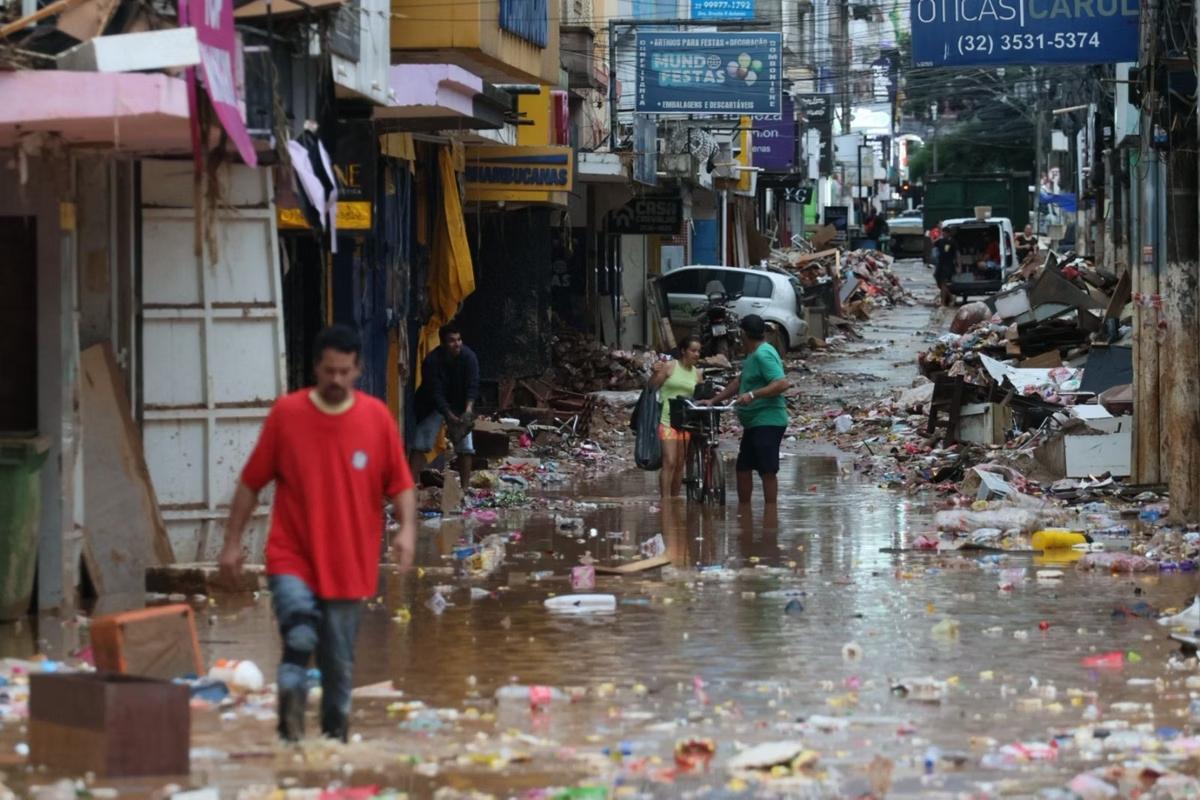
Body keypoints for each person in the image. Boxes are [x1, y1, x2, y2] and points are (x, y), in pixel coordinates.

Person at [218, 325, 417, 743]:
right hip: (292, 557)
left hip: (349, 565)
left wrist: (407, 532)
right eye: (329, 371)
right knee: (301, 633)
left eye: (344, 371)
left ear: (358, 369)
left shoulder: (376, 419)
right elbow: (251, 483)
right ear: (315, 368)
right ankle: (290, 729)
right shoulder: (286, 416)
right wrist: (232, 543)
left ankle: (332, 744)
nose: (336, 380)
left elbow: (400, 485)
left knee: (338, 663)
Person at [702, 315, 790, 505]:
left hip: (768, 420)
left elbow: (782, 383)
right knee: (743, 467)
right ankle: (744, 513)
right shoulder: (753, 355)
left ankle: (770, 516)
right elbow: (739, 381)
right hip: (754, 423)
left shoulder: (762, 354)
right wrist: (714, 400)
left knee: (767, 471)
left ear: (743, 333)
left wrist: (752, 395)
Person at [409, 323, 481, 490]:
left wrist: (468, 411)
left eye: (459, 340)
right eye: (451, 341)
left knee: (466, 447)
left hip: (459, 403)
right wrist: (449, 415)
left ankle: (464, 489)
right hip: (431, 404)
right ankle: (409, 486)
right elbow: (435, 393)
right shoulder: (432, 361)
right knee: (421, 443)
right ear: (442, 343)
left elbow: (473, 385)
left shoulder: (469, 357)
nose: (457, 344)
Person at [648, 336, 702, 499]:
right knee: (669, 461)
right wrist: (655, 373)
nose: (697, 354)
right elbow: (652, 386)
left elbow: (700, 397)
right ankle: (665, 501)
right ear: (683, 351)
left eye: (699, 351)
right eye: (693, 350)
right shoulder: (670, 366)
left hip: (686, 423)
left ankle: (675, 499)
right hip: (667, 420)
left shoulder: (697, 374)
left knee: (679, 464)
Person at [933, 230, 958, 307]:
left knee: (944, 283)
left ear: (949, 233)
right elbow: (933, 243)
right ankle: (950, 296)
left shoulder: (952, 242)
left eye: (945, 233)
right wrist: (939, 237)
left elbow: (957, 254)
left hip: (948, 265)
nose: (944, 234)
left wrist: (959, 266)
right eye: (943, 233)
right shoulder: (940, 241)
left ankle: (943, 303)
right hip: (940, 264)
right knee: (937, 279)